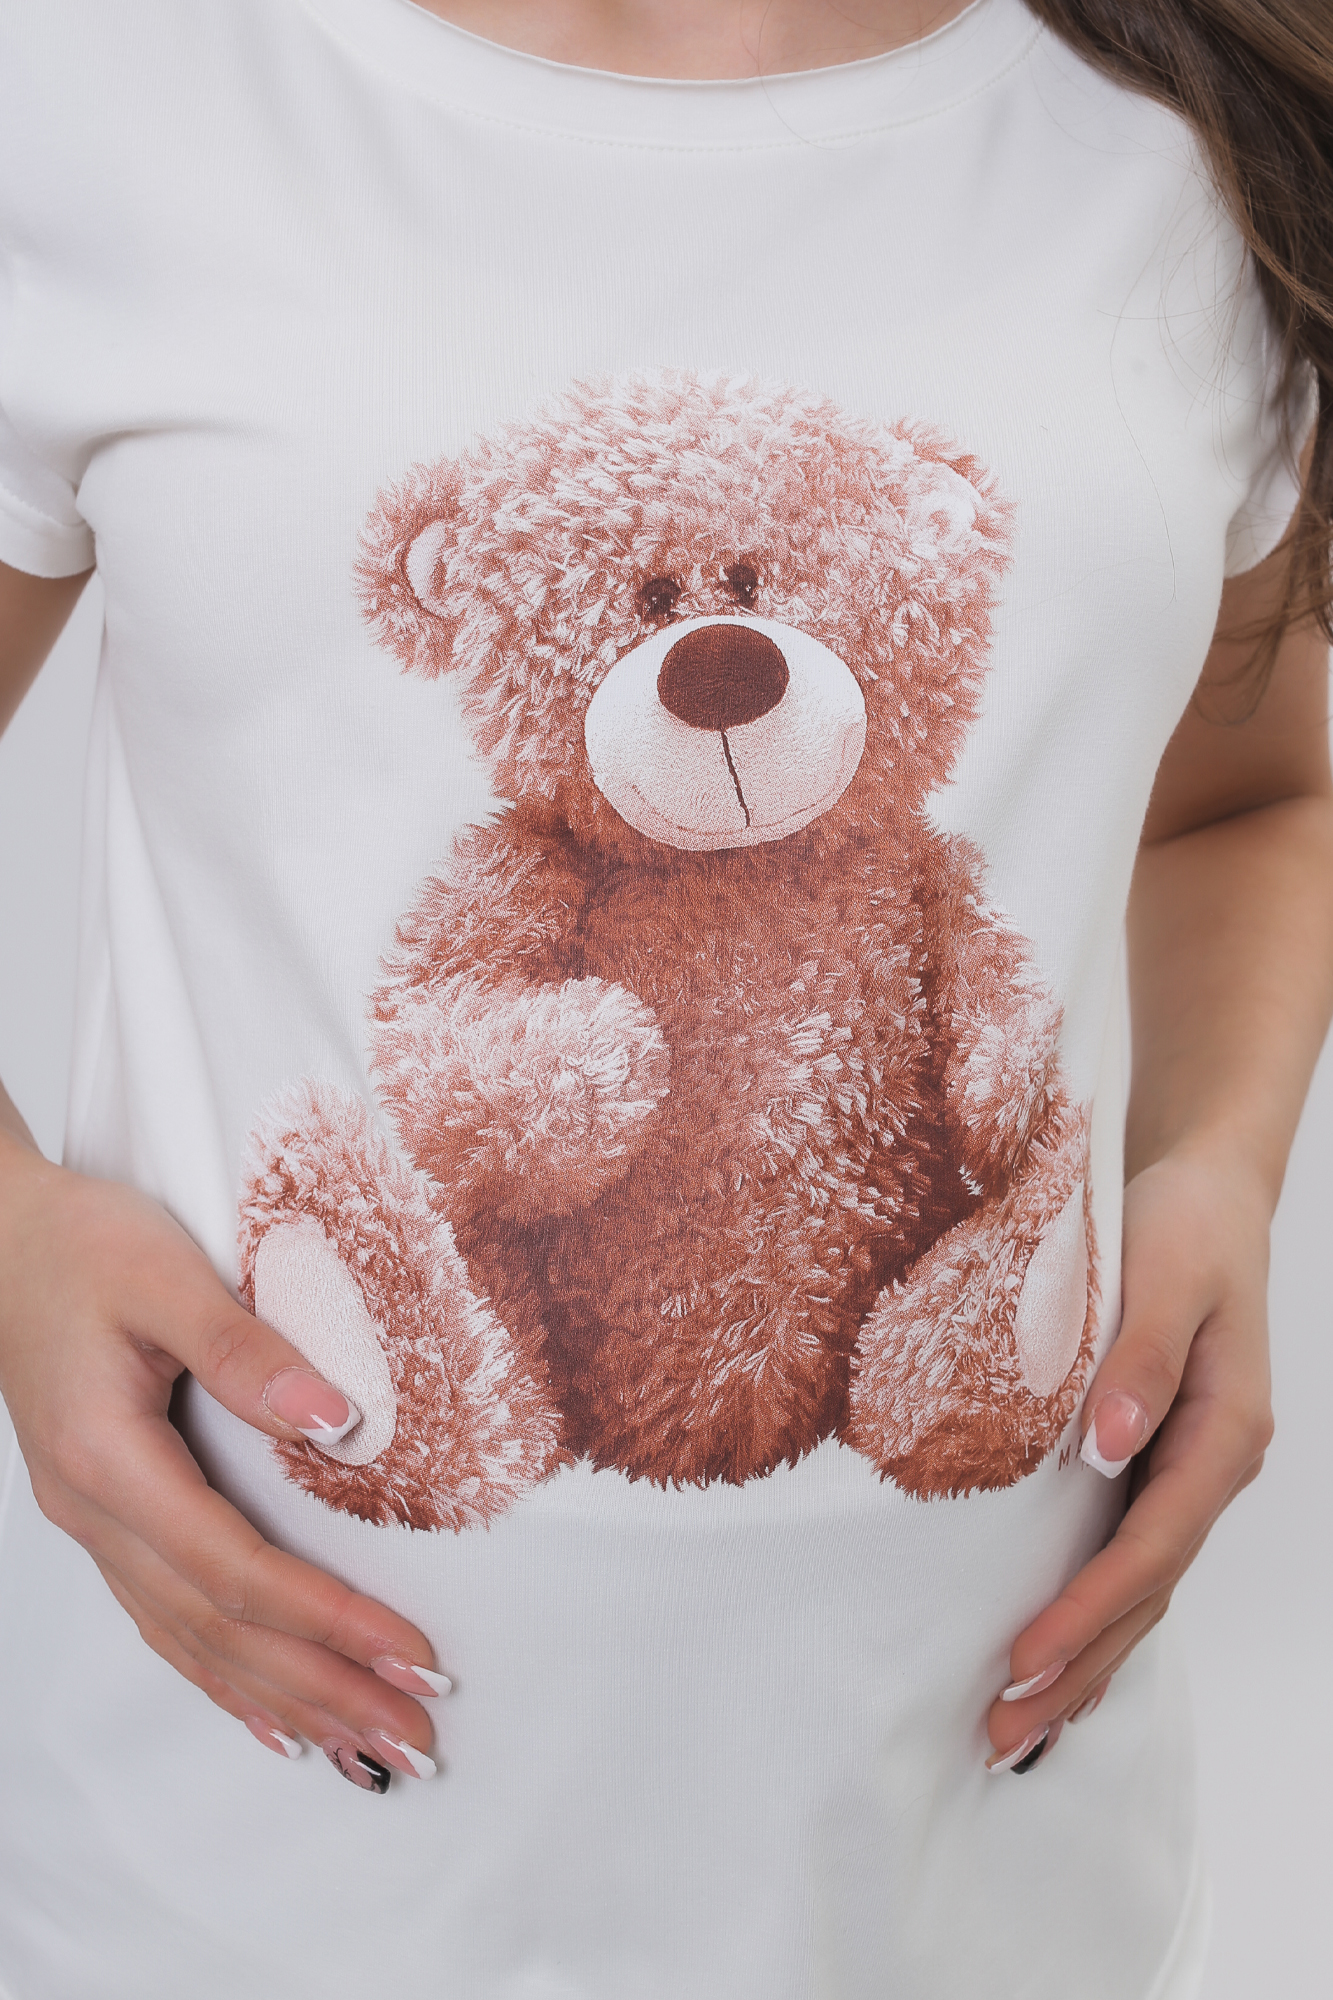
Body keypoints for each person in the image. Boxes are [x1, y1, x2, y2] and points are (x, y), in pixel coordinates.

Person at [0, 1, 1330, 1994]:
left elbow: (1248, 796)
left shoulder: (1203, 138)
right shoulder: (103, 88)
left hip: (989, 1894)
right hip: (231, 1887)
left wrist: (1214, 1166)